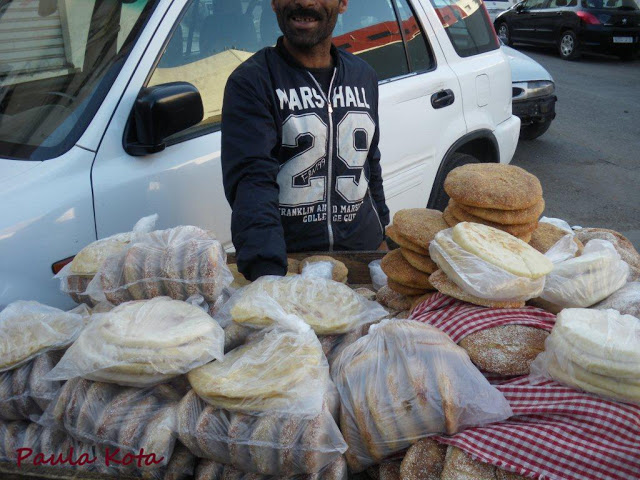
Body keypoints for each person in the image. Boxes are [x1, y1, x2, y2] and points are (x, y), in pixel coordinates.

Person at [221, 0, 389, 281]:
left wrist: (383, 233)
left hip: (363, 257)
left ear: (343, 3)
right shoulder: (252, 81)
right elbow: (252, 181)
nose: (304, 2)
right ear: (274, 3)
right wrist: (268, 274)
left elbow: (370, 162)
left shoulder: (364, 75)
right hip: (291, 264)